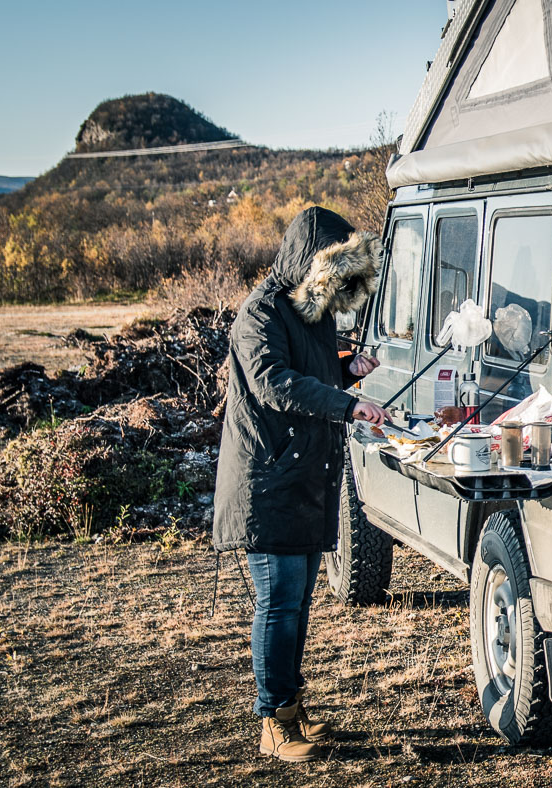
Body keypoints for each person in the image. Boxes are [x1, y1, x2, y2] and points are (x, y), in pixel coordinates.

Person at [212, 206, 390, 762]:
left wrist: (346, 370)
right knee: (279, 604)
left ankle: (290, 710)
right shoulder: (260, 312)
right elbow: (274, 382)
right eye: (335, 274)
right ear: (311, 263)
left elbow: (311, 369)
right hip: (267, 482)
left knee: (296, 605)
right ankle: (273, 721)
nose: (338, 289)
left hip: (302, 478)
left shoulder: (311, 313)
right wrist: (348, 404)